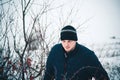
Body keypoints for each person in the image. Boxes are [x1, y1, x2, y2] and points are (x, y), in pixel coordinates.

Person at [43, 25, 110, 80]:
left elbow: (103, 77)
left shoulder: (87, 55)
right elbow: (48, 75)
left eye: (69, 41)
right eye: (64, 41)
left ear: (75, 40)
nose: (66, 44)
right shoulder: (55, 51)